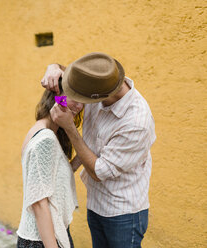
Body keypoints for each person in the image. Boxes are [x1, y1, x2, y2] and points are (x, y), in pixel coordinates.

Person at [40, 52, 156, 248]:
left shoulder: (137, 122)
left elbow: (98, 172)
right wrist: (54, 67)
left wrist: (68, 127)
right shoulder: (96, 82)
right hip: (96, 205)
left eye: (79, 99)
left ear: (100, 96)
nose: (76, 104)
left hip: (123, 214)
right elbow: (69, 90)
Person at [17, 80, 84, 248]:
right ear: (58, 98)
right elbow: (39, 202)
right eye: (74, 98)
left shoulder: (44, 131)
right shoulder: (46, 138)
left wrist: (85, 152)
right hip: (44, 240)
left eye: (82, 101)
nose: (79, 106)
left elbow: (53, 177)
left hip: (45, 235)